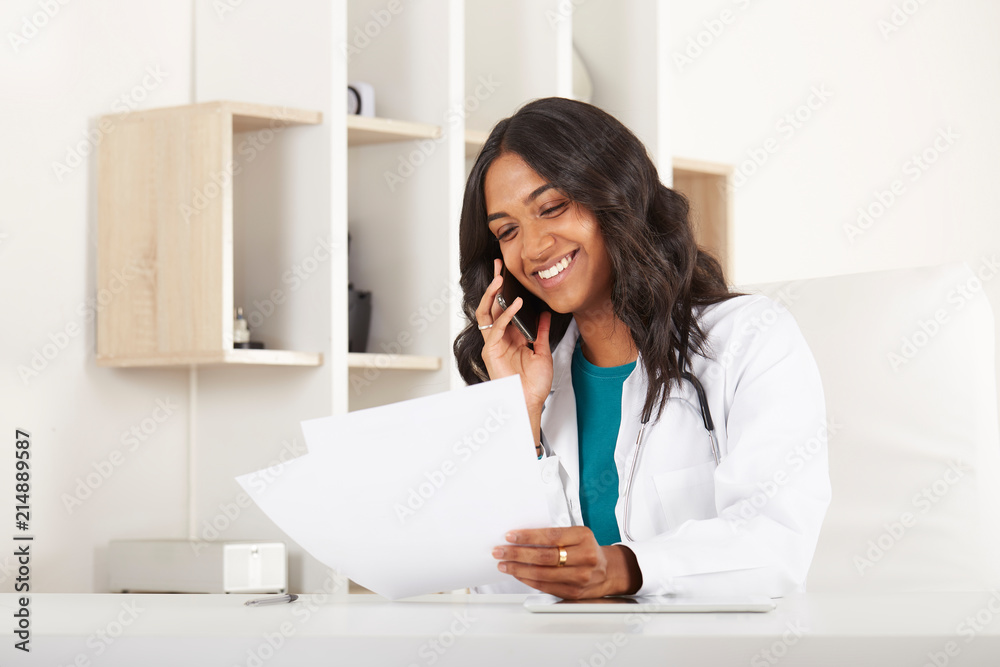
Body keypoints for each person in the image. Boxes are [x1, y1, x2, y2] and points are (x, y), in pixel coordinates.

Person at [453, 97, 831, 600]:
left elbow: (777, 541)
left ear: (615, 195)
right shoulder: (534, 382)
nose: (534, 247)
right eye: (507, 231)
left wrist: (619, 569)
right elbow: (494, 587)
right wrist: (519, 418)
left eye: (552, 207)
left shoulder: (750, 338)